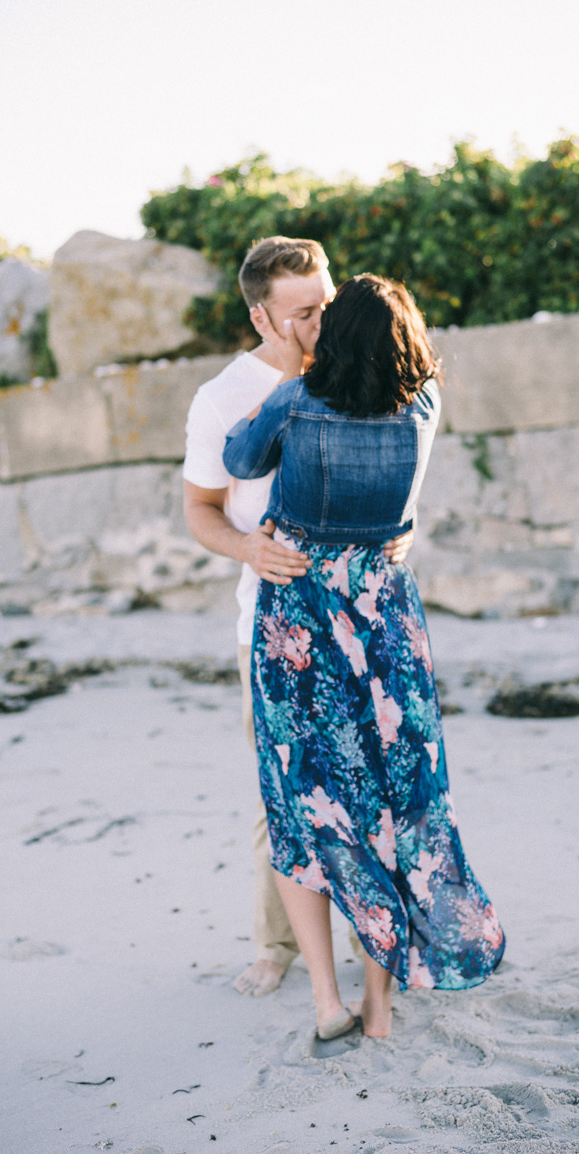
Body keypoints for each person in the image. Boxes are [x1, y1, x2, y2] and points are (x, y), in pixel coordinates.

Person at [223, 275, 505, 1040]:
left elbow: (241, 459)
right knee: (386, 803)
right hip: (384, 619)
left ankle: (326, 1003)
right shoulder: (424, 405)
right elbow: (400, 507)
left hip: (301, 620)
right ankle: (380, 1009)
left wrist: (288, 376)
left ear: (334, 335)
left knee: (302, 806)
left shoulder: (298, 401)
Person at [183, 239, 413, 997]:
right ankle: (275, 943)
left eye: (328, 302)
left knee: (371, 789)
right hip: (273, 627)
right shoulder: (222, 398)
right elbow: (201, 511)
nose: (323, 320)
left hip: (360, 621)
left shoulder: (360, 368)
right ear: (263, 316)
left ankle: (374, 944)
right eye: (305, 312)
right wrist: (248, 548)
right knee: (281, 796)